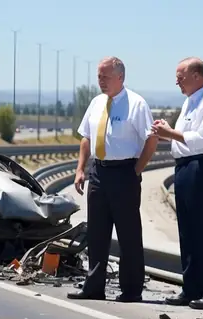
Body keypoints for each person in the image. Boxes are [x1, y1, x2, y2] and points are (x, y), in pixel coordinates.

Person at [67, 56, 159, 303]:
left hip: (124, 172)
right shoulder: (97, 103)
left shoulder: (136, 104)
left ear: (120, 77)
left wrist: (136, 170)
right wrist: (80, 169)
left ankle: (131, 290)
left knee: (128, 234)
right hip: (99, 172)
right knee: (97, 233)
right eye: (99, 76)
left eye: (105, 77)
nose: (101, 81)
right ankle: (94, 287)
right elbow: (86, 137)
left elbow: (151, 140)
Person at [151, 57, 203, 310]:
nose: (177, 82)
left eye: (180, 77)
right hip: (185, 167)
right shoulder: (190, 102)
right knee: (188, 232)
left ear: (197, 75)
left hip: (201, 166)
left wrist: (168, 132)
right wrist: (168, 132)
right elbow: (183, 140)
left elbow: (200, 140)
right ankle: (191, 287)